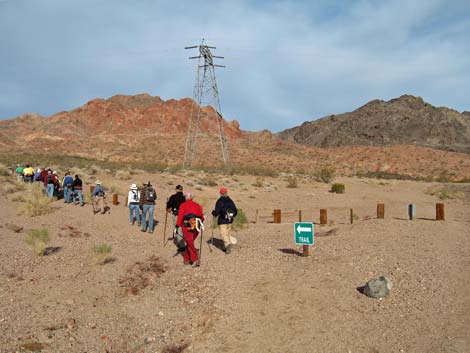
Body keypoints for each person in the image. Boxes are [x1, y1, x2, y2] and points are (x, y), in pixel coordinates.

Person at [176, 192, 204, 267]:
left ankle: (195, 259)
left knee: (189, 243)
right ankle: (186, 259)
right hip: (197, 226)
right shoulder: (198, 205)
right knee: (189, 242)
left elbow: (180, 216)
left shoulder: (183, 205)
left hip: (186, 225)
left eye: (185, 196)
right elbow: (202, 216)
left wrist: (177, 225)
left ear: (186, 197)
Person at [212, 187, 238, 254]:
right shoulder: (230, 201)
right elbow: (235, 210)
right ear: (226, 193)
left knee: (224, 234)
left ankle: (227, 245)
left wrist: (213, 213)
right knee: (226, 233)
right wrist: (232, 216)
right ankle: (227, 245)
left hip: (222, 220)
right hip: (230, 220)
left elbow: (217, 212)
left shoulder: (219, 201)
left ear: (220, 193)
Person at [166, 184, 186, 250]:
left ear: (177, 189)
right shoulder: (184, 197)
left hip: (176, 214)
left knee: (178, 228)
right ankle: (182, 242)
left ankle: (182, 245)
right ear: (181, 190)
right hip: (184, 215)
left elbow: (169, 204)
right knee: (182, 228)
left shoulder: (173, 196)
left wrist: (168, 207)